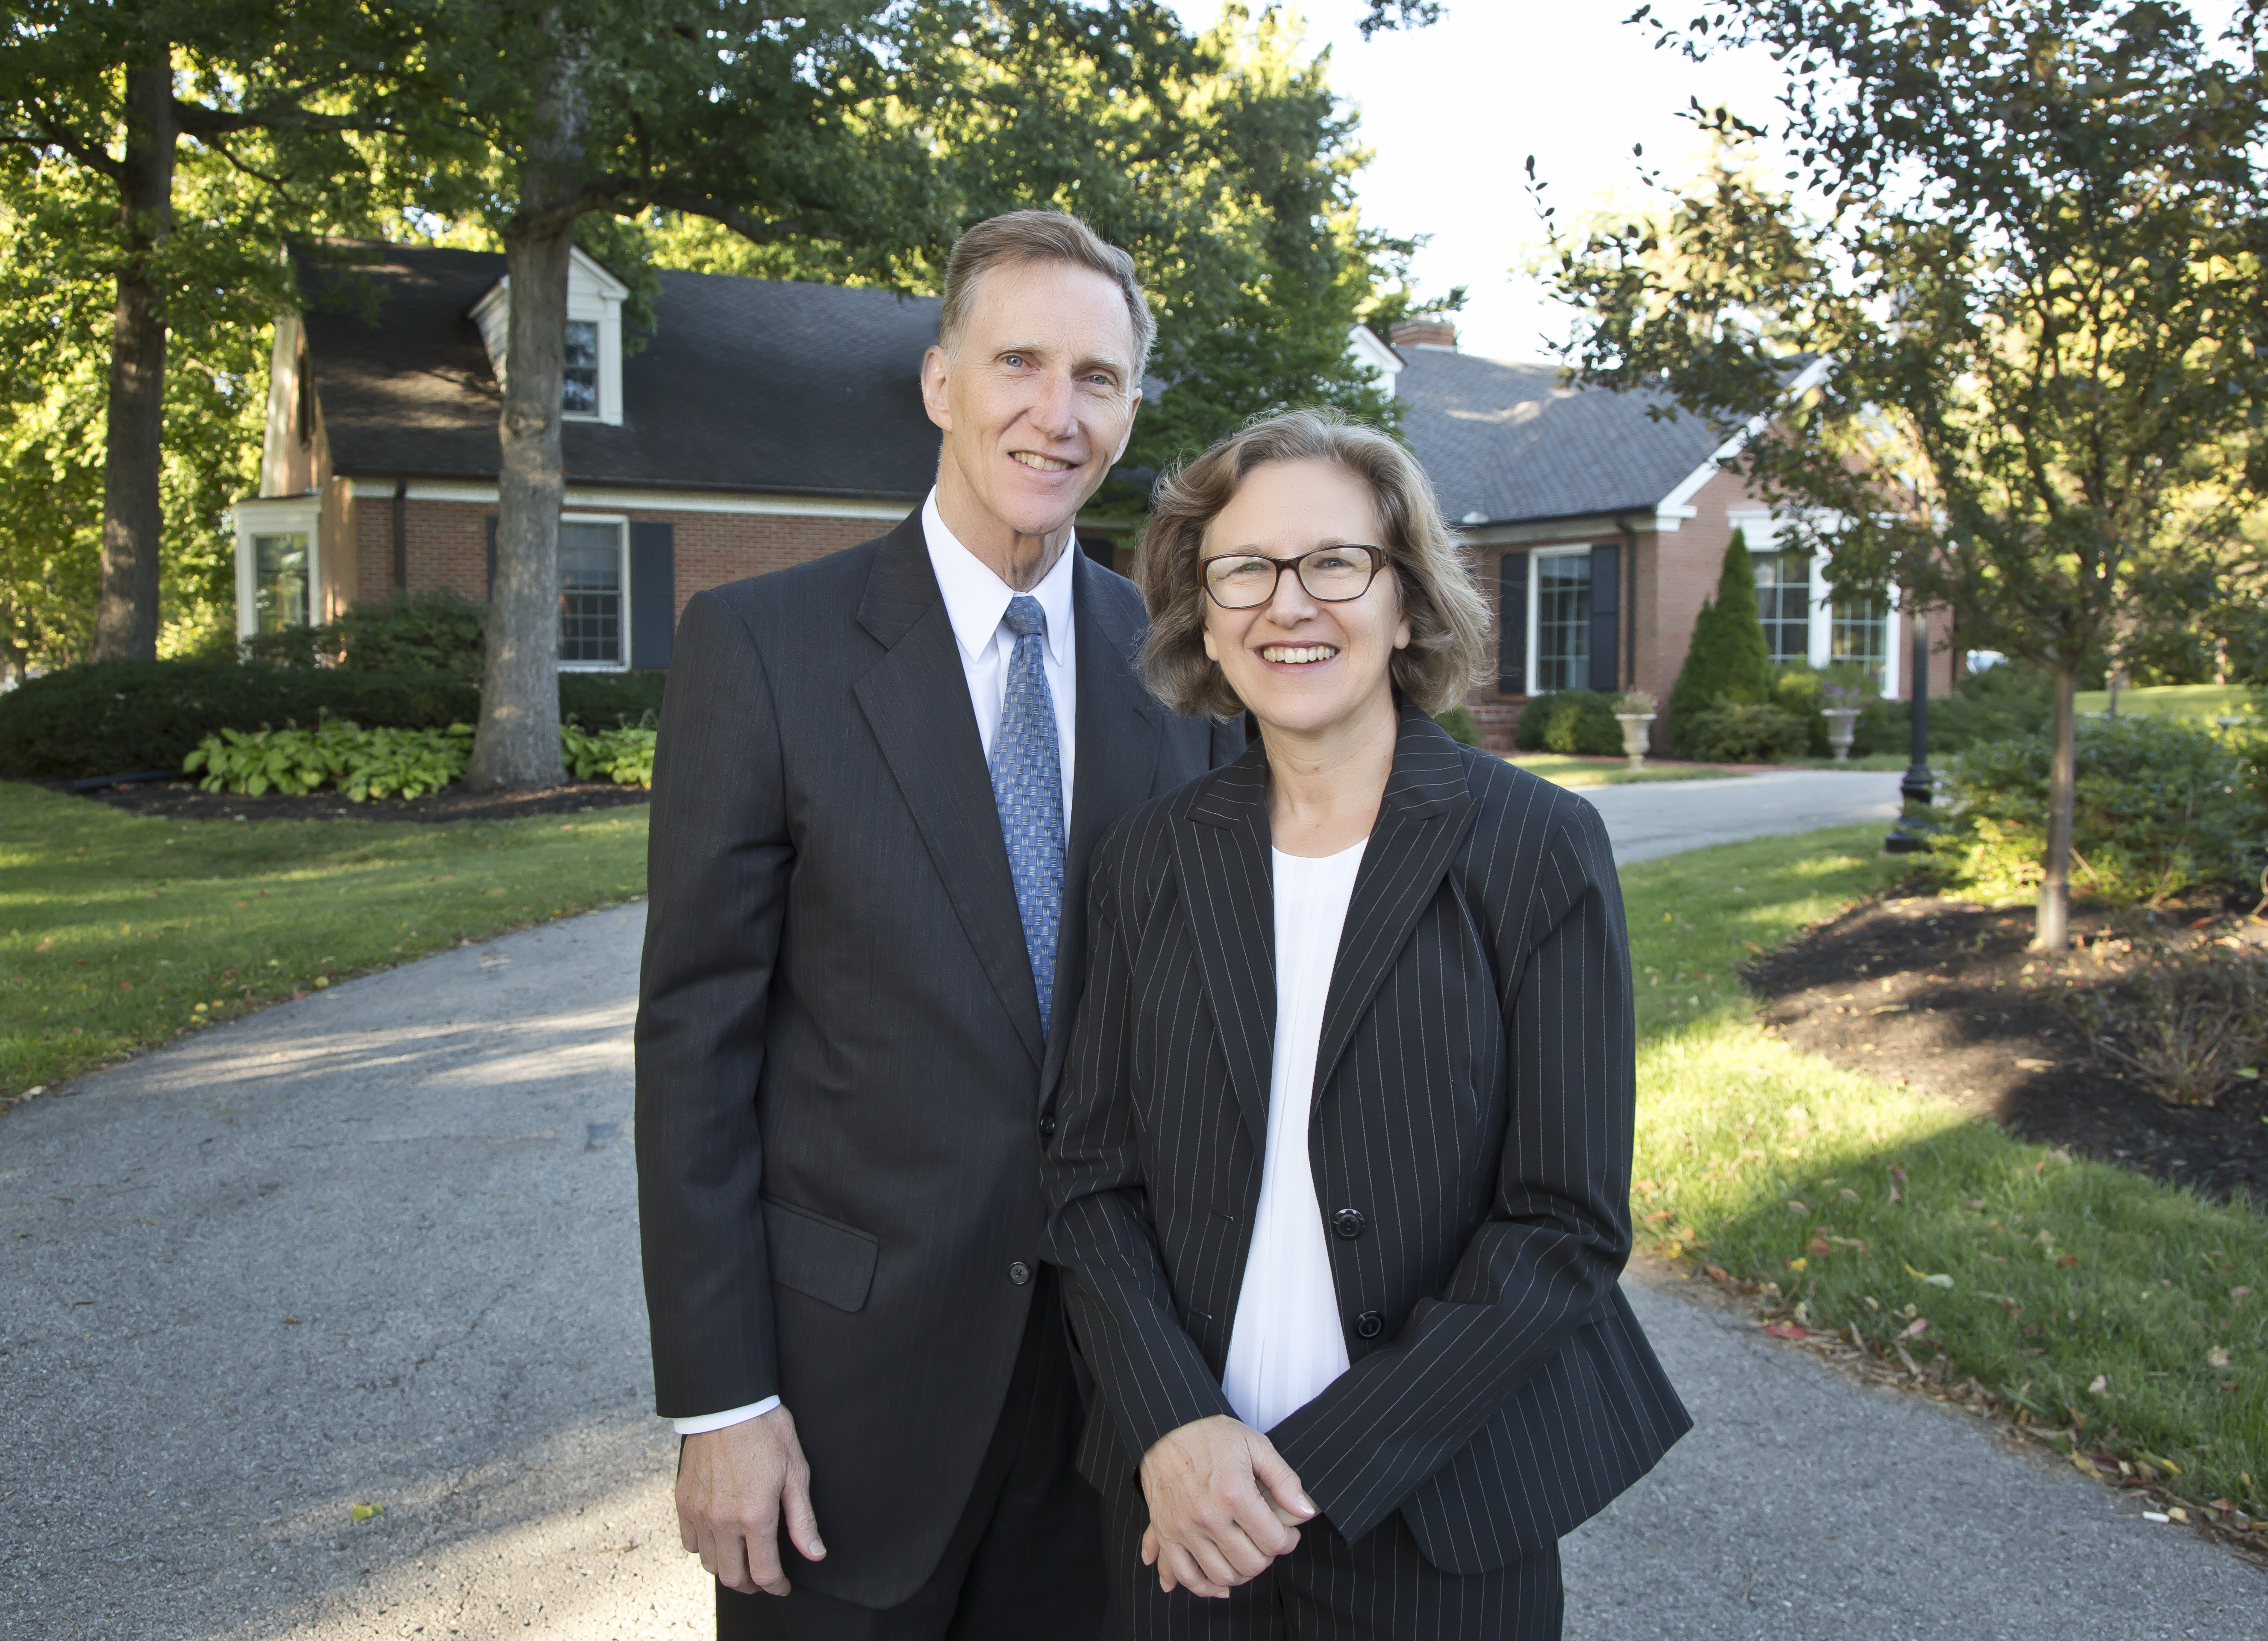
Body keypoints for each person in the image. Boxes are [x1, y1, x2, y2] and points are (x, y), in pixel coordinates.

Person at [635, 209, 1243, 1639]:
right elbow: (695, 1044)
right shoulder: (764, 650)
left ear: (1131, 409)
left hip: (1115, 1404)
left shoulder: (1184, 676)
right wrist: (724, 1400)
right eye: (1019, 360)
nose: (1056, 410)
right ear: (939, 384)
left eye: (1097, 377)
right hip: (847, 1403)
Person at [1042, 410, 1692, 1638]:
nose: (1289, 604)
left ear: (1408, 602)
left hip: (1437, 1519)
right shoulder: (1148, 864)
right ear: (1204, 619)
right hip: (1183, 1520)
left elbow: (1563, 1223)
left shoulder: (1538, 849)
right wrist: (1173, 1425)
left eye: (1336, 563)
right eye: (1245, 570)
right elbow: (1087, 1179)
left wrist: (1321, 1469)